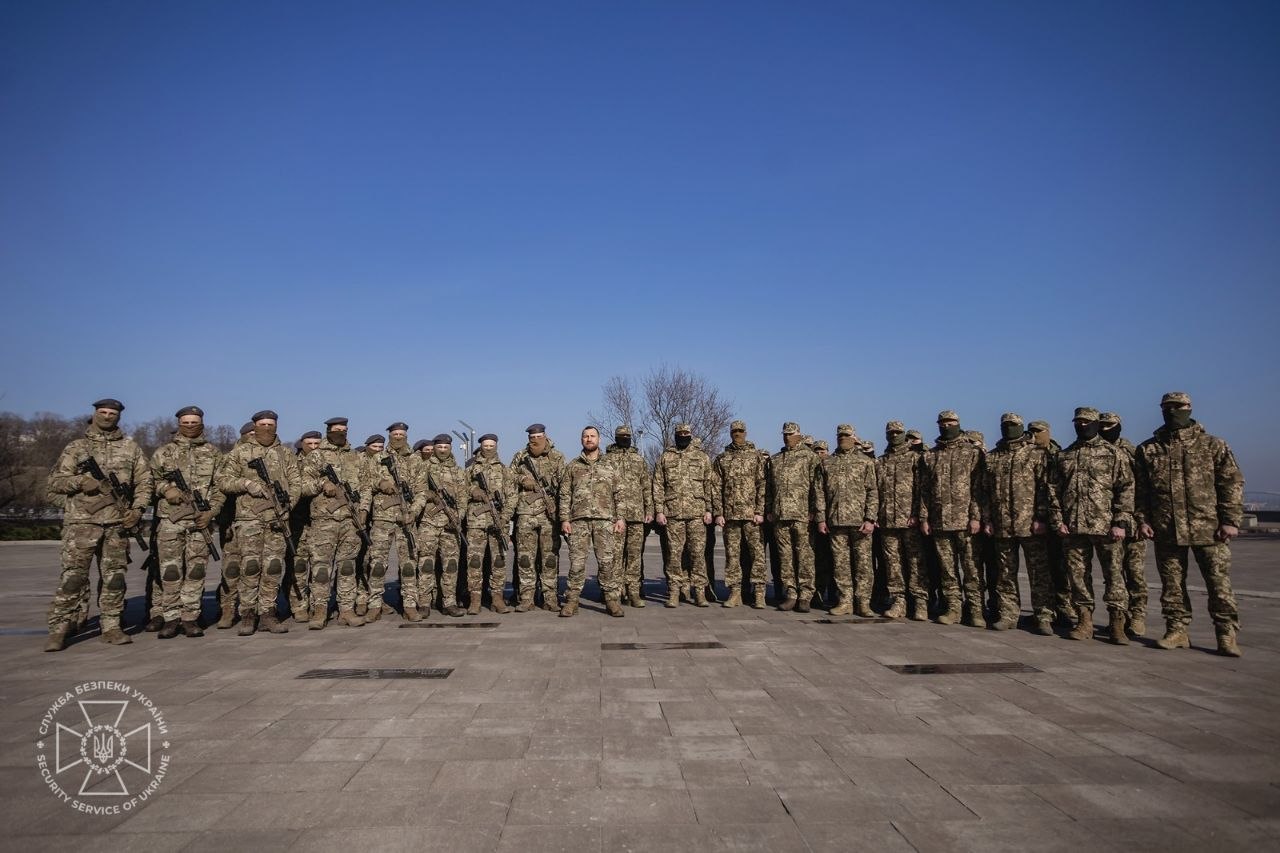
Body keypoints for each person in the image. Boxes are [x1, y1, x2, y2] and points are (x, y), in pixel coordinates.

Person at [1135, 392, 1245, 656]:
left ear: (1190, 408)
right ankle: (1176, 630)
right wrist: (1142, 519)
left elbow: (1231, 482)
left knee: (1218, 584)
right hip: (1166, 528)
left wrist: (1230, 519)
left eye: (1178, 406)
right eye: (1167, 407)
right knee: (1172, 585)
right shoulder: (1149, 449)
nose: (1173, 411)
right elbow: (1140, 490)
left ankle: (1226, 634)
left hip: (1208, 527)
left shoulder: (1212, 445)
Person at [44, 399, 153, 651]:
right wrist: (81, 482)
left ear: (118, 417)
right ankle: (59, 627)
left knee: (114, 578)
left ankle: (111, 625)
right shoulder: (76, 448)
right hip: (82, 524)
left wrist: (137, 510)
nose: (107, 416)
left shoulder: (130, 448)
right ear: (93, 415)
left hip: (116, 524)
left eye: (112, 413)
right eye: (102, 412)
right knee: (73, 578)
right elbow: (55, 483)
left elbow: (145, 483)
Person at [217, 410, 306, 636]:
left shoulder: (286, 454)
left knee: (273, 568)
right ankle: (247, 613)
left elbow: (296, 483)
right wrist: (246, 483)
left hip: (277, 519)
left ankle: (268, 612)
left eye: (271, 424)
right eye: (262, 424)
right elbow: (223, 481)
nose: (267, 428)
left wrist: (287, 505)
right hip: (249, 519)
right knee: (251, 567)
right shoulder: (240, 452)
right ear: (254, 426)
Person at [1050, 407, 1133, 643]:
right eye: (1078, 422)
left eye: (1087, 422)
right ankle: (1084, 620)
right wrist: (1058, 520)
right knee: (1077, 577)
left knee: (1114, 575)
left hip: (1106, 527)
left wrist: (1121, 520)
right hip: (1073, 527)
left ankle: (1117, 622)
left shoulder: (1113, 453)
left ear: (1096, 423)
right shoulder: (1065, 456)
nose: (1082, 425)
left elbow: (1126, 487)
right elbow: (1053, 490)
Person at [148, 406, 225, 639]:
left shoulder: (213, 453)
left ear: (202, 423)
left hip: (200, 522)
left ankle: (190, 617)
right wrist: (166, 489)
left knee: (196, 571)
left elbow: (220, 487)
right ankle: (170, 618)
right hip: (171, 521)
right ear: (179, 423)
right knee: (171, 571)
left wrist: (212, 512)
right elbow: (148, 482)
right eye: (186, 422)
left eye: (194, 422)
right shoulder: (164, 452)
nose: (190, 425)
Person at [981, 413, 1055, 633]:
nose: (1008, 428)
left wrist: (1041, 517)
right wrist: (987, 519)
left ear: (1022, 427)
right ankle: (1008, 614)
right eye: (1005, 425)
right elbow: (984, 492)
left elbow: (1046, 488)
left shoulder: (1037, 454)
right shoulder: (993, 457)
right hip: (1002, 524)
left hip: (1031, 524)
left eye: (1013, 425)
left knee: (1039, 572)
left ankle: (1043, 616)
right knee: (1005, 573)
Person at [300, 417, 370, 628]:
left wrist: (364, 509)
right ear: (329, 431)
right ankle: (319, 611)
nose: (341, 433)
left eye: (344, 430)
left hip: (351, 521)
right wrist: (323, 483)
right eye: (337, 430)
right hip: (324, 521)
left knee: (347, 567)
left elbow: (366, 486)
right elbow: (302, 486)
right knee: (321, 568)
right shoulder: (316, 457)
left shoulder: (357, 458)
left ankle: (346, 610)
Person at [919, 411, 985, 626]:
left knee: (972, 569)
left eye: (951, 422)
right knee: (948, 570)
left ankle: (976, 610)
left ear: (959, 424)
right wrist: (925, 518)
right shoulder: (931, 455)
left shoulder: (972, 453)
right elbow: (925, 491)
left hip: (965, 522)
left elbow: (978, 488)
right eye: (943, 423)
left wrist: (976, 517)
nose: (946, 426)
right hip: (940, 522)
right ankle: (953, 608)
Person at [558, 426, 626, 616]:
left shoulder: (610, 464)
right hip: (578, 521)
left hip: (604, 521)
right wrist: (564, 519)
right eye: (586, 436)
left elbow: (619, 493)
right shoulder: (572, 466)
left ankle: (611, 600)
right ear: (581, 440)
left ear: (599, 439)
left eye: (592, 436)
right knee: (577, 564)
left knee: (607, 563)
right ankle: (572, 601)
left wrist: (620, 518)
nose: (589, 439)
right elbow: (564, 495)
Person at [817, 424, 880, 616]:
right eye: (840, 435)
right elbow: (820, 493)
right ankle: (845, 601)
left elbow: (872, 491)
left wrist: (870, 518)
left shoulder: (864, 462)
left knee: (863, 565)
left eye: (846, 435)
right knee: (840, 564)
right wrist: (821, 518)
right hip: (835, 522)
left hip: (859, 522)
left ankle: (863, 602)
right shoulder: (828, 463)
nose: (842, 438)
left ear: (854, 437)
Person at [653, 423, 715, 607]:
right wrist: (659, 511)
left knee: (697, 554)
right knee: (674, 555)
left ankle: (700, 592)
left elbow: (709, 485)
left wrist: (709, 510)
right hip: (673, 515)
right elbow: (658, 485)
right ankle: (674, 591)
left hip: (697, 514)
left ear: (691, 434)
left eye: (686, 433)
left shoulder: (702, 457)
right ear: (675, 435)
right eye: (679, 433)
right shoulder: (665, 457)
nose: (683, 435)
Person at [1099, 412, 1148, 638]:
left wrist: (1141, 519)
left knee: (1135, 571)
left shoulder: (1132, 451)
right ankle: (1119, 616)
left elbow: (1141, 488)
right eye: (1101, 425)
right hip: (1109, 523)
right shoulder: (1097, 453)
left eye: (1109, 425)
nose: (1105, 428)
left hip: (1133, 522)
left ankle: (1137, 615)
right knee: (1114, 572)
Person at [767, 422, 824, 612]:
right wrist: (769, 509)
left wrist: (816, 512)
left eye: (791, 433)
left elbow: (817, 487)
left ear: (799, 434)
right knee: (785, 558)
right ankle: (791, 593)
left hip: (802, 516)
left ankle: (806, 595)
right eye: (784, 434)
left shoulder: (810, 457)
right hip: (780, 516)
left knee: (805, 556)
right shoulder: (775, 459)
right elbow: (769, 489)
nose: (787, 437)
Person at [509, 424, 566, 611]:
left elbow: (564, 485)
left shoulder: (556, 457)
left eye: (539, 436)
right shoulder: (520, 457)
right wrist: (522, 480)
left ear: (545, 436)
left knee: (550, 559)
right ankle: (527, 598)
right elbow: (509, 478)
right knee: (525, 558)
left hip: (548, 516)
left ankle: (550, 598)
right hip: (525, 514)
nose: (535, 440)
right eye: (532, 437)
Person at [712, 420, 768, 609]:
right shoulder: (722, 459)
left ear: (746, 432)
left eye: (740, 431)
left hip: (752, 515)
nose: (737, 433)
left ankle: (759, 592)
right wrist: (719, 512)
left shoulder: (756, 456)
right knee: (732, 556)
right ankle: (735, 592)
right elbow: (716, 487)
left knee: (757, 555)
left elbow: (762, 485)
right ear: (730, 433)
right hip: (730, 516)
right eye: (734, 431)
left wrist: (760, 511)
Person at [877, 421, 927, 620]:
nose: (894, 435)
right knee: (892, 564)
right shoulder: (881, 461)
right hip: (887, 521)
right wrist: (875, 515)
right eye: (891, 432)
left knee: (916, 562)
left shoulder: (915, 458)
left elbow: (923, 490)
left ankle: (920, 601)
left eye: (898, 432)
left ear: (904, 434)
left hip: (910, 520)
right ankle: (899, 601)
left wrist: (920, 515)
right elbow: (875, 491)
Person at [464, 433, 514, 614]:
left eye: (492, 445)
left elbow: (512, 496)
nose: (488, 448)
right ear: (481, 446)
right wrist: (473, 490)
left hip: (497, 522)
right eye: (486, 445)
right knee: (475, 561)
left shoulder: (504, 469)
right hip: (476, 522)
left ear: (496, 446)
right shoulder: (470, 469)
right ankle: (475, 599)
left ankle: (497, 598)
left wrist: (505, 517)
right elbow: (460, 489)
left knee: (499, 561)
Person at [420, 434, 468, 617]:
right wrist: (428, 494)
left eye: (445, 447)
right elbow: (416, 491)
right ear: (434, 448)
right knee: (426, 564)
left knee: (451, 566)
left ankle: (449, 603)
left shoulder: (457, 471)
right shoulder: (423, 468)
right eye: (439, 447)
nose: (442, 450)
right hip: (428, 524)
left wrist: (458, 517)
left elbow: (463, 498)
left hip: (451, 526)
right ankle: (424, 603)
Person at [605, 425, 653, 608]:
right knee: (616, 556)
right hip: (615, 516)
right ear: (616, 437)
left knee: (634, 555)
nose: (625, 438)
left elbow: (646, 486)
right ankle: (615, 592)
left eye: (628, 436)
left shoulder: (639, 459)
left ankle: (633, 591)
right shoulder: (607, 460)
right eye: (621, 436)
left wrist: (649, 510)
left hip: (636, 515)